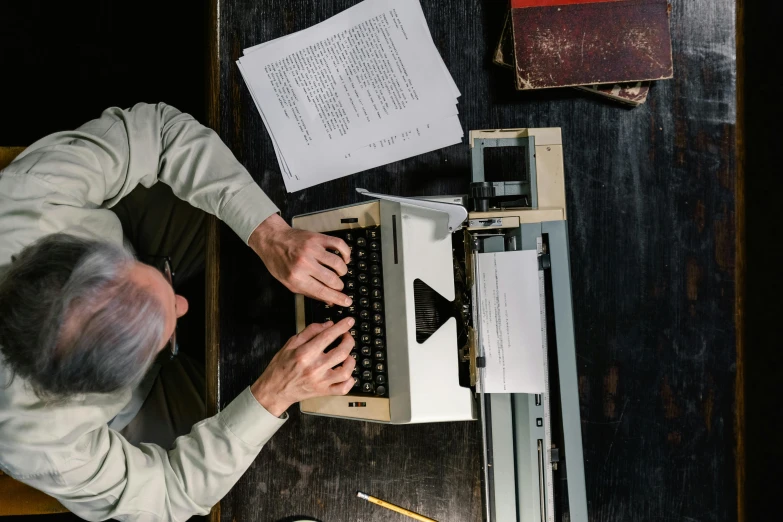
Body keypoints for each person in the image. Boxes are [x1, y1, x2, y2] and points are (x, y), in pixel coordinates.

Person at [0, 103, 356, 521]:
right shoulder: (40, 443)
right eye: (158, 336)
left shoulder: (31, 198)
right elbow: (167, 496)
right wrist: (271, 396)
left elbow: (160, 133)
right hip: (131, 411)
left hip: (138, 229)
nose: (185, 304)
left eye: (133, 274)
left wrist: (269, 233)